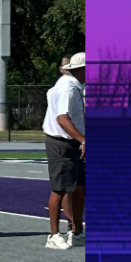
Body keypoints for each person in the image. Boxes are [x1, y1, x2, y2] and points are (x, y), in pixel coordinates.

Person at [45, 52, 86, 249]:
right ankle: (53, 235)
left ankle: (77, 232)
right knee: (60, 188)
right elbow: (62, 118)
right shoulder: (67, 88)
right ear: (81, 69)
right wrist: (83, 140)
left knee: (79, 187)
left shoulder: (76, 86)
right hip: (61, 142)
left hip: (74, 141)